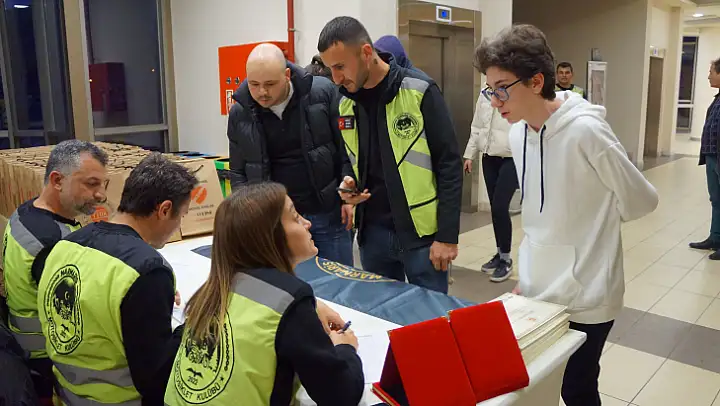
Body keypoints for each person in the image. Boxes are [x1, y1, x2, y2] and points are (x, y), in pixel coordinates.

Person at [474, 24, 658, 406]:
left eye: (502, 87)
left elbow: (642, 199)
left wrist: (596, 220)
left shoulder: (587, 131)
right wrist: (532, 274)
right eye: (490, 89)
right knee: (537, 384)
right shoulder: (518, 135)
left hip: (588, 295)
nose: (494, 101)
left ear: (536, 81)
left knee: (577, 388)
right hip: (539, 290)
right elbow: (539, 215)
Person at [164, 182, 364, 406]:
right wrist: (345, 347)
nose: (307, 223)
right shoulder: (290, 298)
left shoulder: (214, 289)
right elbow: (341, 395)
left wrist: (310, 308)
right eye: (295, 217)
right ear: (269, 236)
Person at [36, 153, 198, 405]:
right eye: (182, 216)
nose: (178, 225)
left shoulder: (65, 245)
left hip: (67, 394)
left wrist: (152, 296)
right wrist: (192, 325)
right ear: (164, 210)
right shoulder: (147, 270)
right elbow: (156, 380)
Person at [318, 17, 462, 294]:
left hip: (422, 237)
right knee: (380, 313)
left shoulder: (419, 90)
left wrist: (447, 236)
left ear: (366, 53)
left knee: (429, 314)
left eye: (340, 67)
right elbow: (347, 155)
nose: (335, 78)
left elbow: (449, 165)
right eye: (330, 69)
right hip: (372, 235)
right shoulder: (345, 100)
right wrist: (348, 181)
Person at [228, 43, 355, 266]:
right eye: (254, 84)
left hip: (327, 214)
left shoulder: (322, 93)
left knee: (337, 279)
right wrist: (248, 216)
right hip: (275, 222)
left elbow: (347, 148)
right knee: (287, 283)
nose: (262, 92)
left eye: (270, 84)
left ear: (287, 75)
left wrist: (348, 195)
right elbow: (238, 171)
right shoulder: (240, 112)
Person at [2, 140, 108, 399]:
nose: (102, 195)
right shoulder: (51, 242)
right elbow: (83, 311)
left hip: (24, 340)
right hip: (47, 358)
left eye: (104, 184)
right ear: (57, 180)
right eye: (91, 184)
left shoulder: (27, 212)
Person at [463, 93, 516, 282]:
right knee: (495, 209)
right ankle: (499, 253)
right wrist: (470, 154)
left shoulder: (514, 91)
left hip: (511, 158)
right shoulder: (485, 94)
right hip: (489, 157)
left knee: (501, 207)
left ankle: (506, 259)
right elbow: (477, 126)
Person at [690, 57, 720, 259]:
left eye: (711, 72)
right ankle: (715, 238)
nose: (709, 76)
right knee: (716, 199)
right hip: (712, 156)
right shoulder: (717, 99)